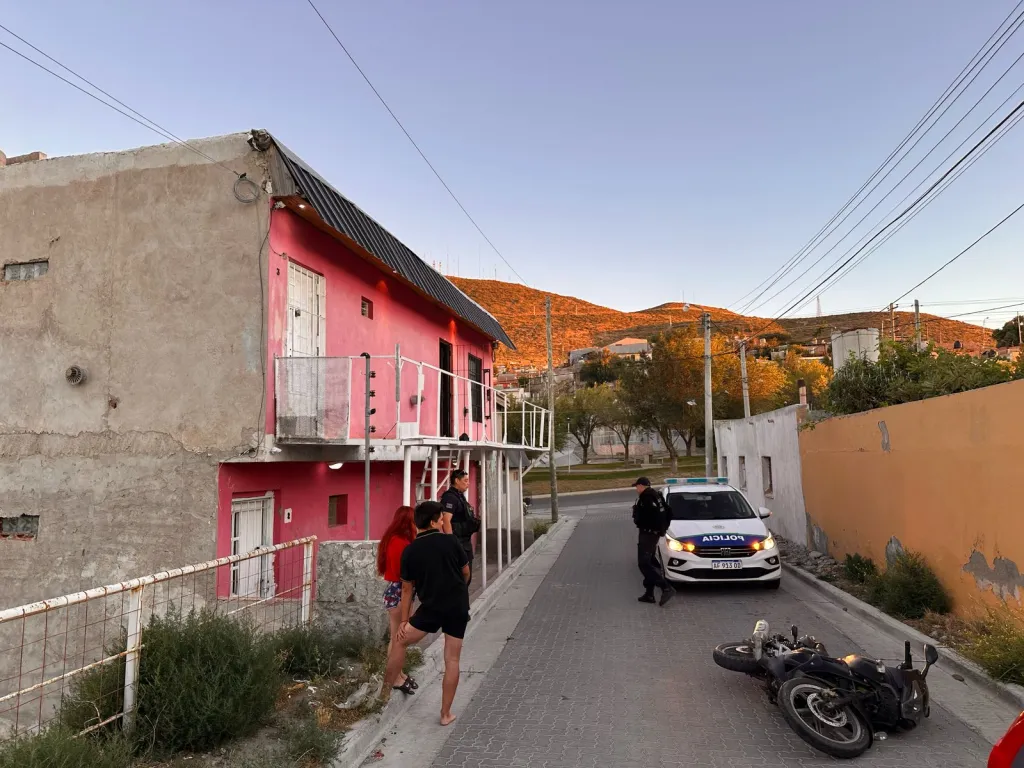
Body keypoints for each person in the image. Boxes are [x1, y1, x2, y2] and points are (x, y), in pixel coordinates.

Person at [384, 500, 471, 726]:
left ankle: (384, 694)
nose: (443, 522)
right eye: (441, 519)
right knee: (452, 660)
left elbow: (406, 589)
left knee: (400, 641)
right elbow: (466, 572)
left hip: (430, 608)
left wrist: (405, 620)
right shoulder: (451, 541)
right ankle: (445, 714)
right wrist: (460, 592)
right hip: (457, 607)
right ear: (433, 522)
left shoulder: (410, 550)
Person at [376, 505, 419, 696]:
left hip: (397, 591)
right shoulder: (400, 543)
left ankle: (399, 674)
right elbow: (403, 572)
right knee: (398, 638)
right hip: (400, 592)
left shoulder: (394, 540)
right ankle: (395, 678)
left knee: (398, 638)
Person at [632, 476, 674, 606]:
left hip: (648, 534)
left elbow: (647, 517)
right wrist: (662, 529)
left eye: (637, 486)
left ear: (641, 486)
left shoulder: (646, 498)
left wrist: (637, 516)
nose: (636, 489)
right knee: (650, 562)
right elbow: (669, 512)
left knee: (644, 563)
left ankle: (666, 587)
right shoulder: (657, 496)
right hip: (653, 534)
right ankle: (649, 594)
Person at [440, 470, 480, 587]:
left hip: (464, 542)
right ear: (457, 481)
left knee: (466, 578)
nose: (468, 483)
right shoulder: (450, 497)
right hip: (458, 543)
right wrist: (451, 542)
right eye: (465, 481)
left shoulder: (459, 496)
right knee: (460, 578)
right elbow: (446, 520)